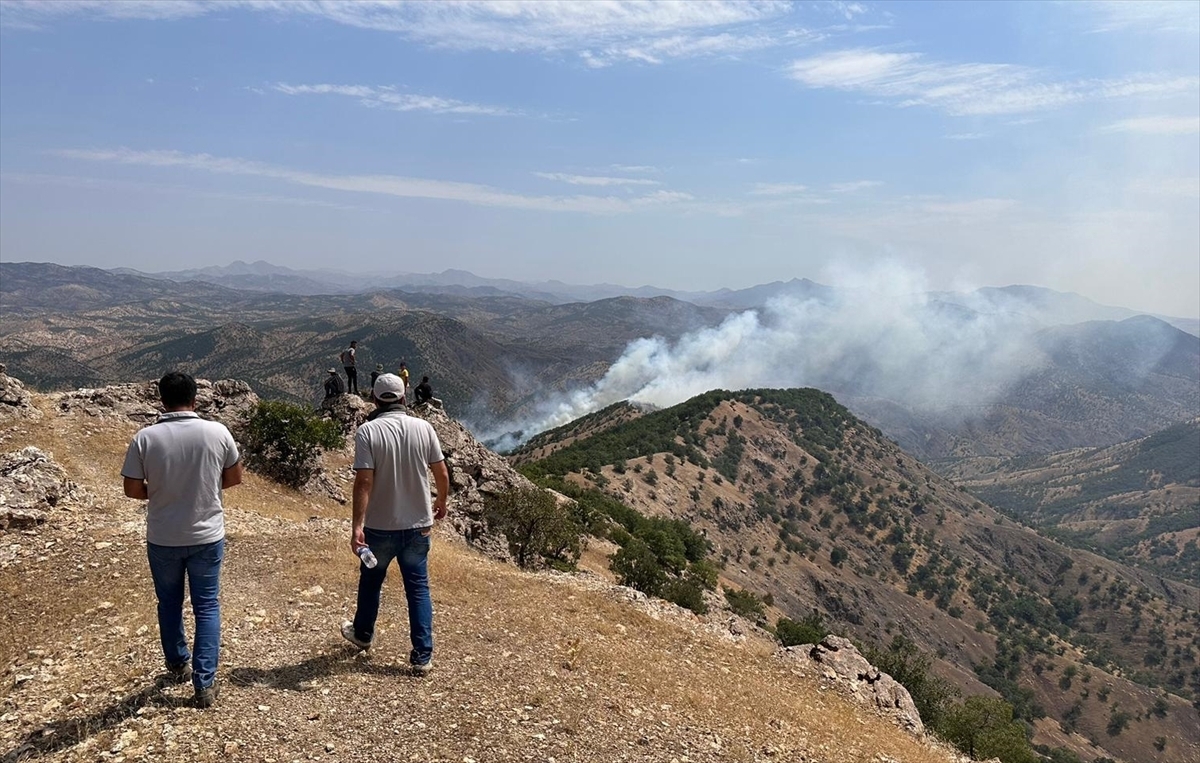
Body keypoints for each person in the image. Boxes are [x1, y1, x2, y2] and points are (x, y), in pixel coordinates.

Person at [121, 372, 243, 708]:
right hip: (206, 534)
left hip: (163, 536)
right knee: (206, 606)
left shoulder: (145, 438)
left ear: (162, 400)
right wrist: (202, 489)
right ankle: (204, 684)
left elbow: (131, 489)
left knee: (169, 603)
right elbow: (234, 477)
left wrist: (161, 493)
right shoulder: (217, 432)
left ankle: (176, 662)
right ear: (195, 398)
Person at [342, 373, 449, 675]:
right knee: (418, 588)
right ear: (404, 398)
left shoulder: (367, 432)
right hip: (418, 525)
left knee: (371, 580)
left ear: (375, 400)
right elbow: (441, 472)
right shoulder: (424, 427)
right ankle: (422, 656)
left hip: (379, 525)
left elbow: (364, 481)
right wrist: (441, 502)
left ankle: (363, 635)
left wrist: (357, 526)